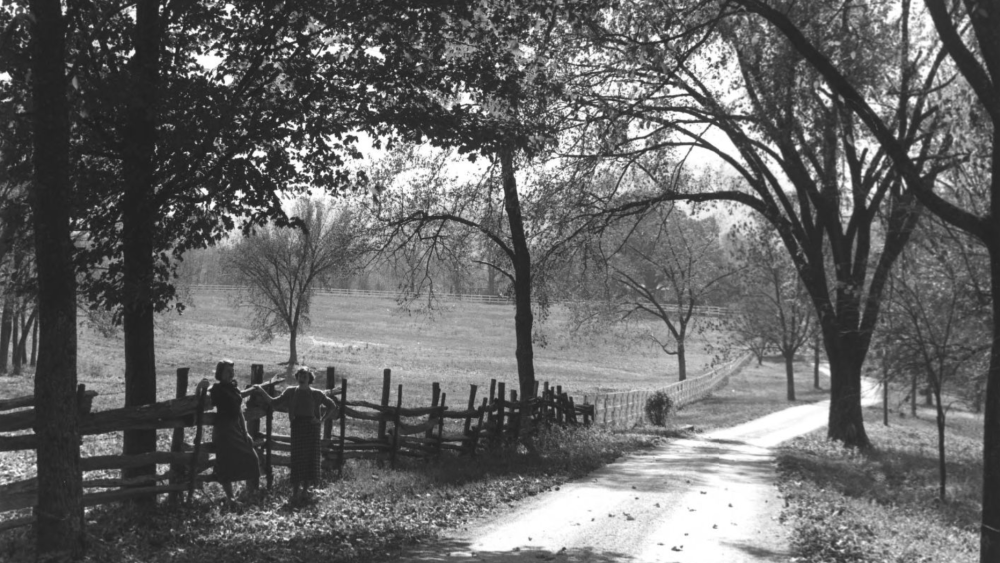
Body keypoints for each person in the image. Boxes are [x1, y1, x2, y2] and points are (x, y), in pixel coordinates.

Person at [256, 367, 336, 499]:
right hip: (297, 427)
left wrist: (321, 420)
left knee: (310, 458)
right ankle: (295, 491)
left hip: (312, 429)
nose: (303, 378)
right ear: (297, 377)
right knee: (298, 459)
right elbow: (273, 402)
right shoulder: (291, 392)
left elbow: (332, 406)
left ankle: (305, 490)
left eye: (305, 376)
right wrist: (261, 390)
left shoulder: (316, 394)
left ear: (310, 378)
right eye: (300, 375)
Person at [196, 360, 261, 502]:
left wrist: (246, 432)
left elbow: (239, 413)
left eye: (232, 371)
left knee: (252, 458)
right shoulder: (216, 389)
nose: (231, 374)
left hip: (236, 429)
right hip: (223, 431)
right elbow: (200, 400)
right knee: (225, 462)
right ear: (220, 373)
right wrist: (200, 386)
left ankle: (249, 492)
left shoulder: (234, 388)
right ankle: (230, 497)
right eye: (227, 371)